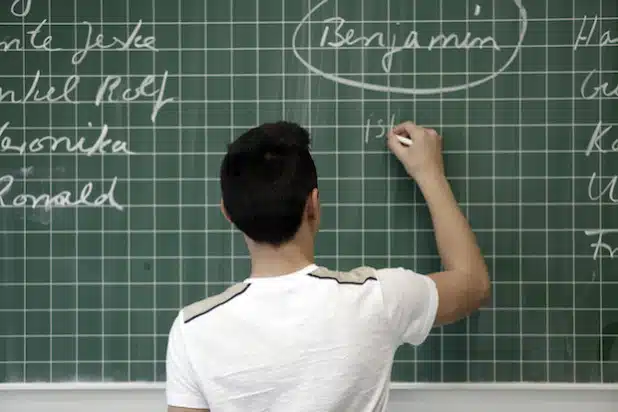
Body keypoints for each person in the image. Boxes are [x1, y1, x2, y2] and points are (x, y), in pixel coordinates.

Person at [165, 121, 490, 412]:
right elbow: (472, 283)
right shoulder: (377, 299)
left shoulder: (192, 330)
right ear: (313, 205)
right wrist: (429, 172)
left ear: (228, 213)